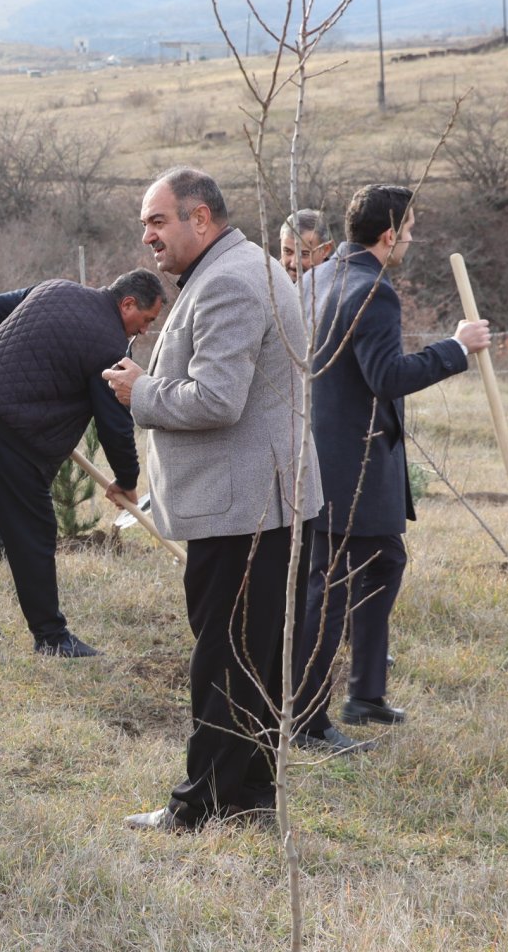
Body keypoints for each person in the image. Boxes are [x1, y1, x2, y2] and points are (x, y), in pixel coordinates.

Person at [102, 168, 322, 831]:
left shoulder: (229, 281)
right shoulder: (234, 269)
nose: (147, 236)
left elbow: (217, 400)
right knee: (245, 659)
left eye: (158, 221)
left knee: (223, 661)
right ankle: (247, 801)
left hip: (246, 509)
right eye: (144, 223)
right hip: (254, 504)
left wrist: (139, 391)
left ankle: (197, 808)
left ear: (201, 219)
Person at [292, 184, 490, 753]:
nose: (412, 239)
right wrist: (456, 348)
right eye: (409, 230)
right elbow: (388, 377)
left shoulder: (317, 277)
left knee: (382, 562)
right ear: (388, 234)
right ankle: (306, 719)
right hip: (349, 466)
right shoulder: (373, 290)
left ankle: (366, 693)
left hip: (324, 458)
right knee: (328, 592)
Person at [0, 270, 166, 657]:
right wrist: (127, 480)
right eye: (146, 321)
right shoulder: (109, 344)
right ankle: (51, 638)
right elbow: (114, 425)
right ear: (128, 304)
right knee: (34, 531)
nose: (144, 331)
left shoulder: (55, 287)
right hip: (5, 431)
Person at [279, 208, 333, 282]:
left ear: (325, 250)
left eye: (304, 254)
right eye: (287, 252)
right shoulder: (266, 281)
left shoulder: (340, 287)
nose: (294, 264)